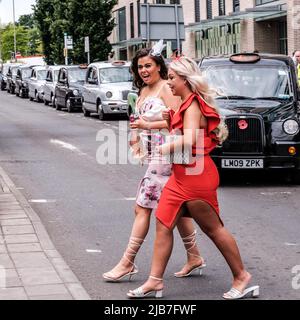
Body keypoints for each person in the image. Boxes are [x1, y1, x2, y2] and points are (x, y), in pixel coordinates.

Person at [127, 56, 259, 300]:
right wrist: (148, 124)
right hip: (180, 175)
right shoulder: (184, 103)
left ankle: (242, 276)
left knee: (213, 229)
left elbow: (188, 140)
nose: (168, 83)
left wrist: (165, 148)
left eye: (172, 79)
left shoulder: (193, 105)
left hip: (197, 176)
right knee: (163, 223)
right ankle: (154, 281)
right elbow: (175, 127)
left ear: (186, 80)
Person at [102, 45, 205, 282]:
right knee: (178, 210)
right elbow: (140, 120)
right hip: (155, 154)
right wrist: (135, 137)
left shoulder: (166, 88)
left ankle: (127, 262)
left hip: (168, 154)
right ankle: (194, 256)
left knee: (142, 206)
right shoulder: (144, 91)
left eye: (148, 65)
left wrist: (148, 127)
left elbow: (180, 123)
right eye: (139, 67)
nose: (144, 70)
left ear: (159, 66)